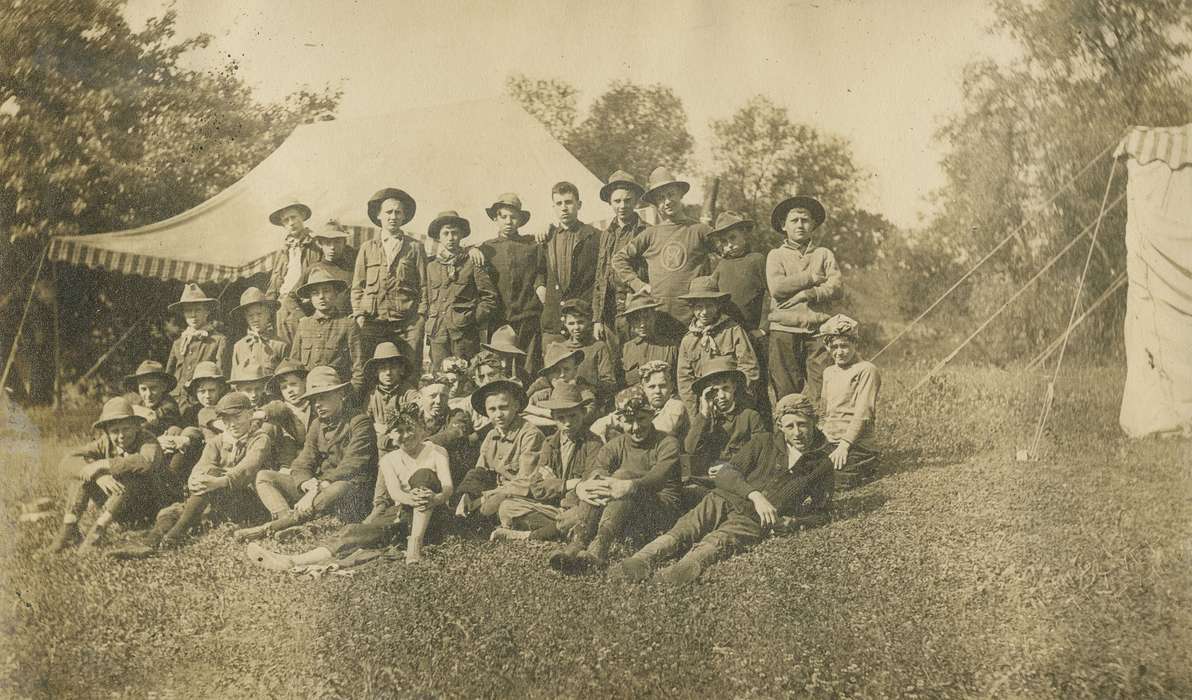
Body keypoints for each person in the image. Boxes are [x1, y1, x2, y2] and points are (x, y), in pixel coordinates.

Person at [610, 393, 834, 585]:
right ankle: (639, 560)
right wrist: (755, 495)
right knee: (684, 529)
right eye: (790, 426)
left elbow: (822, 512)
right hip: (723, 498)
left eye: (802, 424)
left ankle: (677, 573)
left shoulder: (821, 464)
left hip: (752, 520)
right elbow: (727, 473)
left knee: (717, 542)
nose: (797, 432)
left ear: (814, 421)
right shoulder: (764, 441)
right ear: (781, 427)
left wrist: (793, 523)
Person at [246, 402, 454, 568]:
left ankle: (415, 545)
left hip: (435, 518)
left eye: (410, 428)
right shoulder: (389, 460)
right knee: (353, 531)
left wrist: (433, 498)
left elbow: (447, 487)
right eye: (398, 431)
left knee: (424, 475)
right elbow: (396, 494)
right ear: (390, 435)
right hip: (403, 514)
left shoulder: (435, 451)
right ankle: (292, 561)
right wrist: (414, 499)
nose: (406, 435)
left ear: (421, 428)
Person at [109, 392, 274, 557]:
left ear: (250, 415)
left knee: (211, 477)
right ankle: (149, 543)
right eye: (226, 420)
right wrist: (195, 480)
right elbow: (201, 467)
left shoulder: (260, 438)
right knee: (171, 512)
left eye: (237, 417)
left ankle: (173, 537)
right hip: (218, 495)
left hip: (248, 498)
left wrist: (219, 481)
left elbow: (248, 468)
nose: (232, 424)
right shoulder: (217, 441)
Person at [548, 386, 682, 574]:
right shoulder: (614, 446)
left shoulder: (667, 443)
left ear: (652, 415)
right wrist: (585, 487)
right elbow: (597, 472)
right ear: (619, 420)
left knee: (622, 476)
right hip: (622, 512)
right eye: (629, 421)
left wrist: (628, 485)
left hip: (660, 511)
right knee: (599, 481)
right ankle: (576, 545)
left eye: (641, 419)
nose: (636, 427)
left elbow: (658, 478)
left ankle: (599, 549)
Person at [236, 366, 377, 540]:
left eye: (324, 397)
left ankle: (269, 529)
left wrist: (316, 489)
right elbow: (303, 461)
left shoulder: (359, 421)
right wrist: (306, 483)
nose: (318, 404)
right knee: (264, 476)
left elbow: (353, 465)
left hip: (349, 489)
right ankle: (287, 521)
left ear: (341, 395)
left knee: (339, 487)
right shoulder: (318, 424)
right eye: (314, 399)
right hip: (319, 489)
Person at [47, 398, 167, 551]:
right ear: (107, 433)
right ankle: (68, 529)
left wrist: (104, 464)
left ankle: (98, 530)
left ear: (137, 427)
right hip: (120, 506)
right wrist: (99, 476)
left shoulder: (147, 439)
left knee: (131, 475)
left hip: (148, 506)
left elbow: (147, 462)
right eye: (115, 431)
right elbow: (67, 461)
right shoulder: (104, 443)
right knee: (84, 475)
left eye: (126, 429)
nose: (121, 435)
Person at [611, 167, 715, 342]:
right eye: (660, 198)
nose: (667, 201)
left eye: (671, 194)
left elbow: (728, 256)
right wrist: (638, 284)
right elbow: (619, 259)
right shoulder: (650, 234)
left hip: (695, 317)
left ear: (680, 194)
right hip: (660, 317)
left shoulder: (700, 230)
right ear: (655, 204)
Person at [490, 382, 600, 542]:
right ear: (553, 418)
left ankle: (529, 535)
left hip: (576, 506)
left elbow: (589, 485)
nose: (567, 423)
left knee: (581, 514)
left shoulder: (593, 444)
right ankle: (561, 530)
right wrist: (568, 484)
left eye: (573, 416)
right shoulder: (550, 444)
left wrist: (553, 482)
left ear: (583, 413)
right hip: (553, 509)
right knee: (507, 507)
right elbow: (537, 487)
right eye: (561, 418)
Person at [766, 194, 842, 403]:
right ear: (784, 225)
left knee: (824, 390)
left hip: (818, 331)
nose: (800, 225)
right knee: (786, 392)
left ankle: (822, 435)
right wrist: (811, 278)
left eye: (805, 220)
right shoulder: (776, 256)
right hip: (784, 331)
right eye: (794, 220)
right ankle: (790, 433)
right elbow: (778, 288)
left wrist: (811, 293)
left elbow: (836, 287)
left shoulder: (824, 254)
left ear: (813, 224)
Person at [351, 187, 427, 367]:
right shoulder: (367, 247)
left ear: (403, 216)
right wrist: (359, 314)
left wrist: (421, 318)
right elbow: (357, 287)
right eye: (388, 212)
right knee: (371, 368)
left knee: (408, 369)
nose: (393, 217)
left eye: (398, 212)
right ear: (379, 215)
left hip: (407, 323)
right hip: (373, 322)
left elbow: (424, 286)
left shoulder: (415, 247)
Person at [454, 379, 546, 521]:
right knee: (459, 504)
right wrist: (468, 493)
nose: (498, 415)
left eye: (503, 407)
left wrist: (485, 497)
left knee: (491, 510)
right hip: (496, 493)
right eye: (492, 409)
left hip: (518, 495)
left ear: (516, 406)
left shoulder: (530, 435)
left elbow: (526, 481)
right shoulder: (491, 435)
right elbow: (480, 470)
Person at [708, 211, 770, 415]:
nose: (729, 245)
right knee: (731, 385)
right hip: (729, 337)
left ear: (745, 235)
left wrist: (763, 328)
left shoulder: (757, 260)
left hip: (753, 334)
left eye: (733, 238)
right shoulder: (721, 266)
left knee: (757, 384)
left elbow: (771, 295)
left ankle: (763, 432)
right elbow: (711, 296)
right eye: (724, 241)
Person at [479, 193, 547, 373]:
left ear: (520, 221)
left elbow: (541, 272)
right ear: (495, 218)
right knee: (502, 366)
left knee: (529, 365)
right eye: (504, 216)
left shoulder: (532, 245)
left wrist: (548, 226)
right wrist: (472, 251)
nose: (509, 221)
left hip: (528, 315)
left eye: (514, 217)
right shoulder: (486, 248)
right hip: (500, 318)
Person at [424, 210, 499, 368]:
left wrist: (470, 320)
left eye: (455, 233)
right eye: (446, 233)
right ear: (439, 237)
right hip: (438, 335)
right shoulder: (431, 266)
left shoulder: (472, 262)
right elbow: (427, 299)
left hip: (464, 336)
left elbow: (489, 298)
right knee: (440, 379)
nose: (451, 238)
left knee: (466, 378)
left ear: (461, 235)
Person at [675, 277, 760, 411]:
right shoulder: (688, 340)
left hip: (734, 400)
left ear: (718, 305)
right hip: (704, 404)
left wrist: (738, 400)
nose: (704, 312)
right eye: (699, 307)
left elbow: (749, 368)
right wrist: (695, 412)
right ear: (692, 308)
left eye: (709, 306)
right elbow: (685, 381)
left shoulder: (733, 331)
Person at [816, 315, 881, 489]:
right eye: (834, 347)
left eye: (844, 346)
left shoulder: (866, 370)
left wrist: (844, 445)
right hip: (830, 440)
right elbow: (824, 411)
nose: (839, 352)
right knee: (804, 469)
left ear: (855, 344)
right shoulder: (829, 372)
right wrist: (819, 438)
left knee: (834, 479)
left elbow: (864, 413)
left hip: (856, 444)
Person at [536, 181, 600, 347]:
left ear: (579, 205)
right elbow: (538, 271)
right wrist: (539, 287)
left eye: (568, 202)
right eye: (559, 203)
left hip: (582, 322)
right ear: (553, 207)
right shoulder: (546, 238)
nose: (564, 208)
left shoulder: (595, 237)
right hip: (554, 323)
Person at [592, 170, 649, 351]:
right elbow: (599, 279)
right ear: (610, 202)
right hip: (609, 312)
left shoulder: (646, 232)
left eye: (628, 200)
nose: (622, 206)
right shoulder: (606, 235)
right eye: (617, 201)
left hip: (635, 309)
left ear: (636, 201)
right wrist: (597, 319)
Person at [683, 357, 766, 479]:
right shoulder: (704, 419)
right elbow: (690, 449)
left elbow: (760, 453)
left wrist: (730, 467)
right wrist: (705, 412)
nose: (721, 396)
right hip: (709, 479)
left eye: (725, 388)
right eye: (715, 391)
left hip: (741, 477)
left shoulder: (750, 417)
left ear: (734, 387)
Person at [289, 268, 365, 393]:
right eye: (315, 293)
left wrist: (349, 396)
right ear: (310, 298)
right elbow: (294, 366)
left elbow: (359, 369)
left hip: (338, 393)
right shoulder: (304, 325)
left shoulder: (348, 324)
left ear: (335, 293)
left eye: (326, 291)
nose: (321, 297)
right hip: (310, 393)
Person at [164, 283, 230, 413]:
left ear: (207, 311)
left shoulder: (217, 340)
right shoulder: (179, 343)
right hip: (177, 402)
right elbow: (169, 377)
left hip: (204, 402)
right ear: (183, 314)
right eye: (188, 311)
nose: (193, 315)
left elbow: (222, 376)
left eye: (198, 310)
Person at [590, 360, 688, 444]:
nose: (657, 391)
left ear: (671, 386)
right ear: (643, 388)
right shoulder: (643, 403)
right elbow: (611, 419)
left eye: (662, 386)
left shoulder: (676, 405)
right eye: (652, 387)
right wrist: (601, 427)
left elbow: (656, 432)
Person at [265, 198, 321, 343]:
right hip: (282, 305)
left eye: (293, 217)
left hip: (303, 303)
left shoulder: (316, 244)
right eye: (286, 220)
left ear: (302, 216)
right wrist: (268, 308)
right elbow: (275, 282)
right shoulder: (283, 250)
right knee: (284, 347)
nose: (291, 223)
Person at [546, 298, 617, 407]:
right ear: (564, 323)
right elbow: (547, 378)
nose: (576, 328)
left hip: (589, 401)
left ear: (589, 321)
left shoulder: (598, 347)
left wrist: (586, 387)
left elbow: (609, 383)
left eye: (580, 322)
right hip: (562, 401)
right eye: (571, 323)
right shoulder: (560, 348)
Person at [361, 341, 419, 451]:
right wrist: (374, 426)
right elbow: (364, 422)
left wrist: (389, 430)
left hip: (403, 445)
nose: (388, 372)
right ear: (376, 372)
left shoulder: (409, 392)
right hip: (378, 445)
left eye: (393, 367)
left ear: (401, 370)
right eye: (383, 368)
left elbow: (414, 422)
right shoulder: (372, 395)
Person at [524, 345, 597, 427]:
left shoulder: (584, 392)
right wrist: (556, 421)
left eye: (567, 369)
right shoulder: (544, 392)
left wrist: (548, 416)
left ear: (575, 371)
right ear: (548, 375)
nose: (562, 375)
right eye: (556, 371)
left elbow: (585, 415)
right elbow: (523, 411)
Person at [617, 290, 677, 387]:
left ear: (655, 317)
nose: (642, 324)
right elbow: (619, 383)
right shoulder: (625, 349)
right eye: (636, 319)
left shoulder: (670, 347)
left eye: (647, 318)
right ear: (630, 322)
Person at [259, 359, 310, 470]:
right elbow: (272, 408)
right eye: (284, 387)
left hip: (312, 459)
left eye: (293, 384)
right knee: (268, 426)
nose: (289, 390)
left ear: (305, 382)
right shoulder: (281, 407)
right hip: (286, 460)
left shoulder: (314, 406)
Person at [306, 221, 358, 319]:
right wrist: (303, 319)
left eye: (337, 242)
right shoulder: (314, 268)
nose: (332, 247)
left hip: (348, 323)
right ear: (320, 244)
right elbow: (292, 297)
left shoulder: (353, 268)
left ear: (344, 243)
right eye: (327, 243)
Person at [230, 287, 288, 373]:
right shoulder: (239, 347)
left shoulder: (280, 345)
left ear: (268, 314)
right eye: (250, 316)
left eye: (259, 314)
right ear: (245, 318)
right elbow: (235, 381)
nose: (255, 319)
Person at [123, 359, 183, 436]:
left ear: (163, 387)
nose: (148, 394)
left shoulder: (169, 405)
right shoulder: (139, 402)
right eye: (143, 389)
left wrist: (135, 410)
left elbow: (151, 417)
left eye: (153, 388)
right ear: (138, 389)